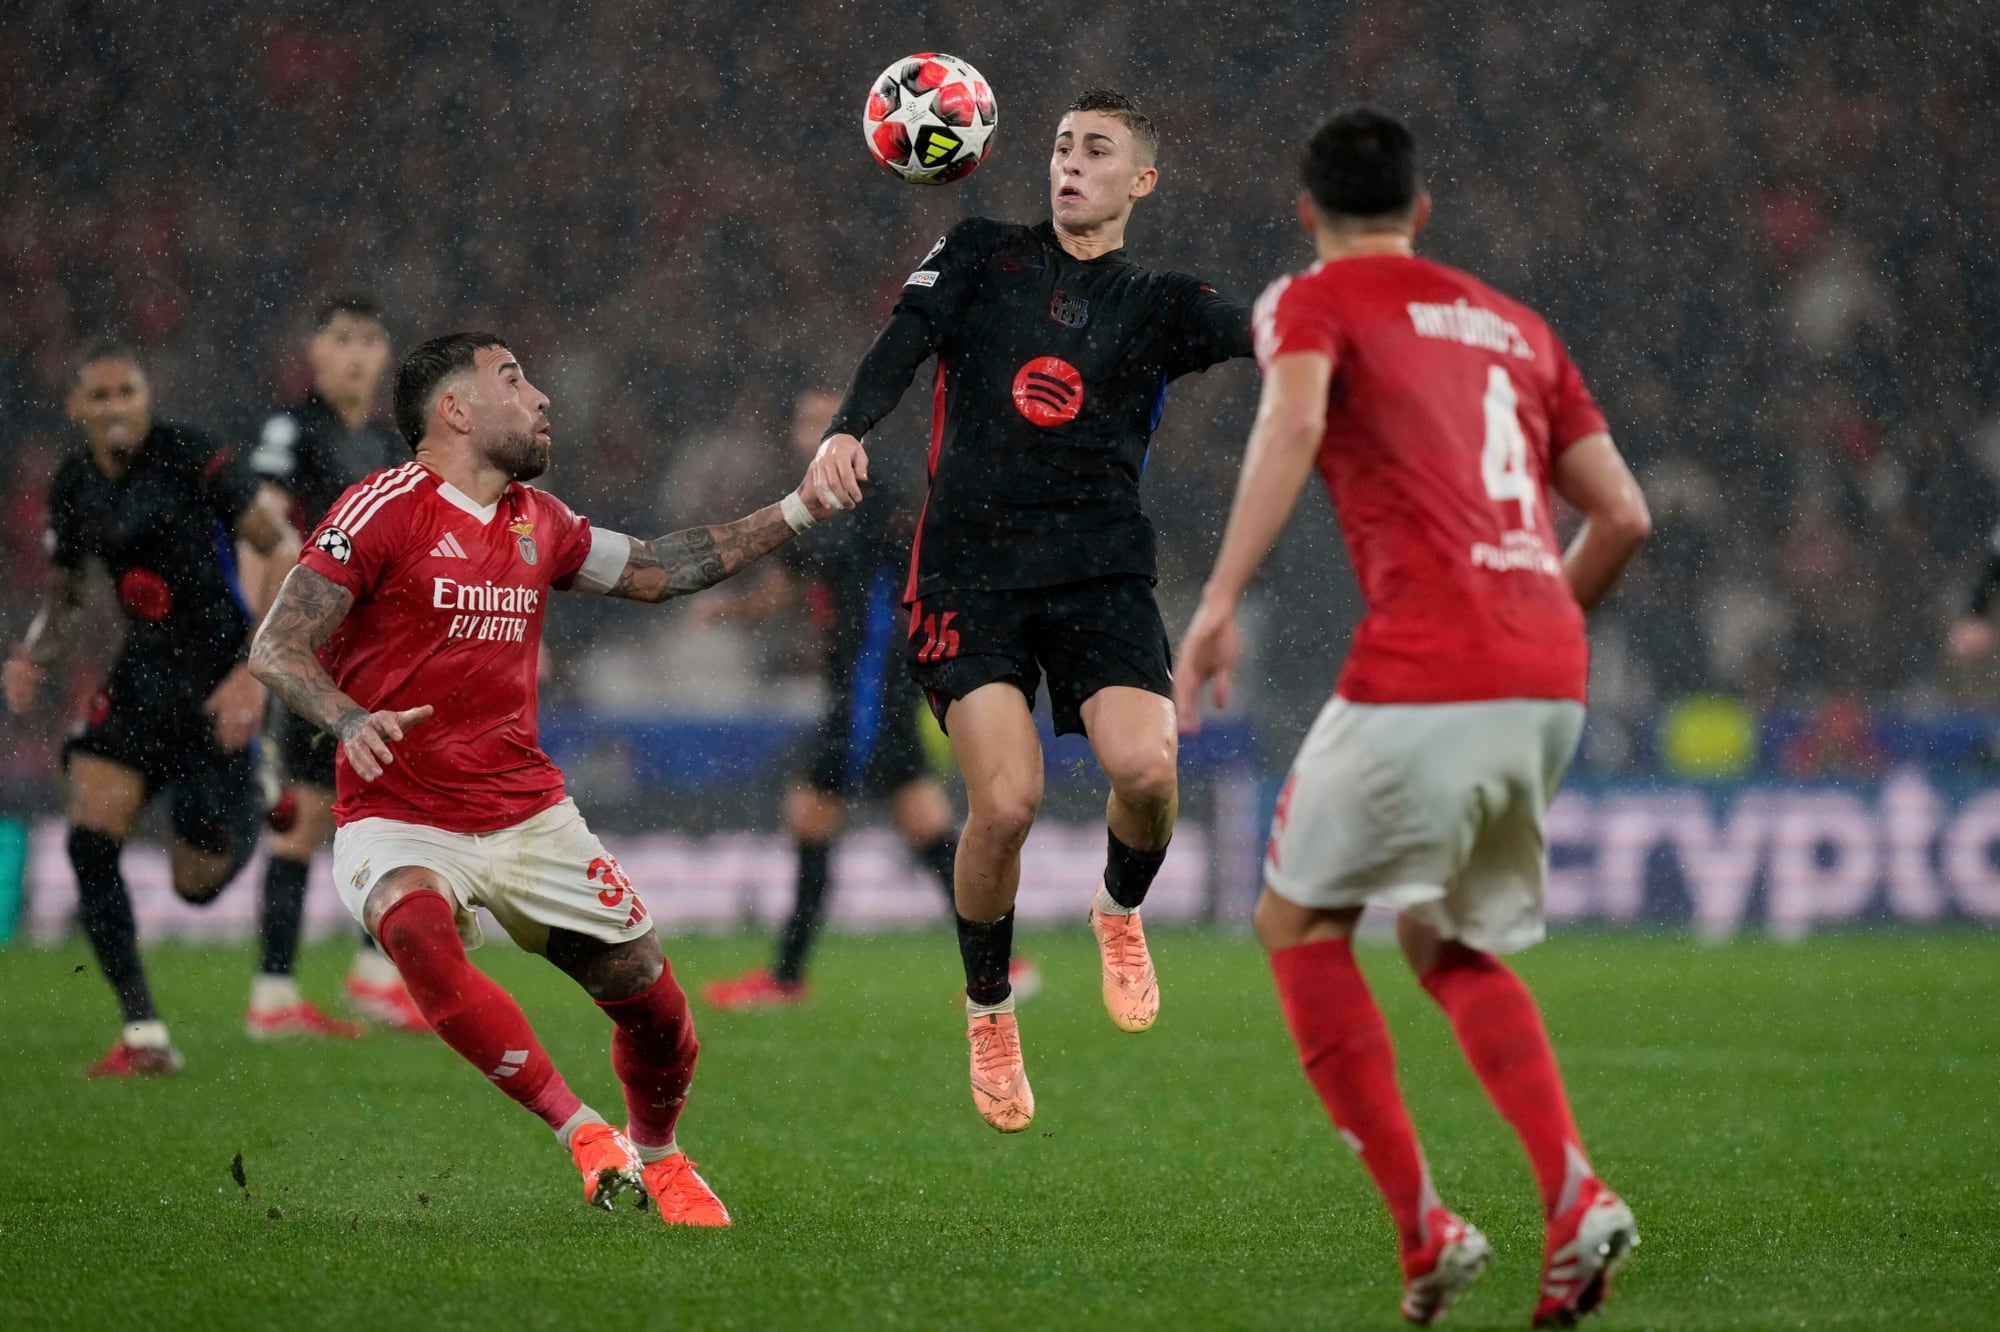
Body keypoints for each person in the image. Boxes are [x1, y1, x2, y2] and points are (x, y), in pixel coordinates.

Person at [1174, 109, 1652, 1327]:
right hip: (1546, 671)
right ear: (1420, 209)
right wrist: (1538, 619)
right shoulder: (1517, 326)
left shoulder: (1312, 300)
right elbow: (1624, 516)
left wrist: (1218, 600)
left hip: (1426, 663)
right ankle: (1569, 1195)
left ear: (1306, 212)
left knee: (1294, 922)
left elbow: (1288, 420)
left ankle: (1425, 1226)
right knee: (1445, 942)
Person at [249, 332, 845, 1225]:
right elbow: (277, 647)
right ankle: (582, 1134)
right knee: (414, 929)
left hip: (528, 814)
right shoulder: (382, 509)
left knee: (658, 1014)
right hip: (400, 813)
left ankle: (661, 1152)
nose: (541, 398)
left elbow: (661, 567)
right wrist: (349, 718)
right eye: (513, 380)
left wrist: (796, 509)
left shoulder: (543, 522)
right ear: (454, 410)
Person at [805, 89, 1252, 1133]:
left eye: (1096, 150)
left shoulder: (1156, 299)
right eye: (1058, 145)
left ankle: (1117, 908)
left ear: (1139, 180)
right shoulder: (976, 252)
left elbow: (1261, 330)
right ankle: (989, 1011)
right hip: (969, 571)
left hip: (1097, 570)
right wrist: (844, 429)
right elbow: (899, 344)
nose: (1068, 162)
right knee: (1002, 805)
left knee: (1145, 770)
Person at [3, 340, 295, 1076]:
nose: (113, 408)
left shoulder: (192, 455)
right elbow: (66, 598)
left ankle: (252, 788)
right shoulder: (73, 485)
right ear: (76, 409)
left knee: (195, 886)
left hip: (219, 674)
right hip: (141, 678)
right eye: (97, 397)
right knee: (87, 841)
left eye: (125, 392)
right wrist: (31, 655)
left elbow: (284, 548)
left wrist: (254, 673)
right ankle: (144, 1035)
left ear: (146, 398)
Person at [701, 389, 1039, 1009]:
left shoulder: (871, 497)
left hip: (871, 693)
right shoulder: (820, 500)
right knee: (924, 826)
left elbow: (908, 569)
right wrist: (736, 609)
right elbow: (794, 580)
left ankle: (786, 979)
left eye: (823, 420)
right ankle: (1002, 957)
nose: (812, 431)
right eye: (805, 419)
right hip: (864, 691)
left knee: (819, 816)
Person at [245, 295, 425, 1038]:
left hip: (369, 654)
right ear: (315, 352)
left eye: (369, 340)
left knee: (387, 809)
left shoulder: (387, 443)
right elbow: (265, 528)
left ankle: (372, 976)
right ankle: (274, 997)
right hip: (311, 651)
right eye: (341, 338)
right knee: (304, 817)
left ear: (384, 357)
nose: (355, 353)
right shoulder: (294, 429)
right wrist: (262, 637)